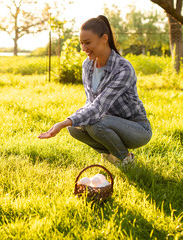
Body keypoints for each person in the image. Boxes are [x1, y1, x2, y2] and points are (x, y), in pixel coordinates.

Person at [38, 15, 152, 167]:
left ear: (104, 38)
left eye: (88, 43)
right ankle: (112, 155)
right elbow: (90, 103)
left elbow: (99, 106)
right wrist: (70, 122)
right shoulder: (88, 65)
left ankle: (126, 160)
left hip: (136, 129)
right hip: (107, 122)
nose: (84, 49)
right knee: (75, 128)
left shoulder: (123, 68)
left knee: (94, 123)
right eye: (81, 43)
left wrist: (63, 122)